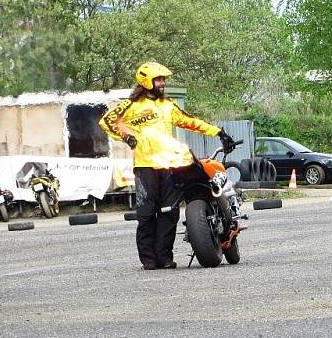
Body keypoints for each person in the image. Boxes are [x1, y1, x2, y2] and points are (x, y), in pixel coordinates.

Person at [99, 62, 236, 270]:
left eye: (163, 79)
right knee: (146, 213)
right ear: (146, 81)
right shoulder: (130, 105)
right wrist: (127, 136)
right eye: (159, 79)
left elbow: (190, 121)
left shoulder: (168, 105)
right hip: (145, 166)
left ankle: (165, 257)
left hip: (170, 166)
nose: (163, 83)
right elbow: (107, 122)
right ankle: (148, 260)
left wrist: (218, 132)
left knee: (169, 212)